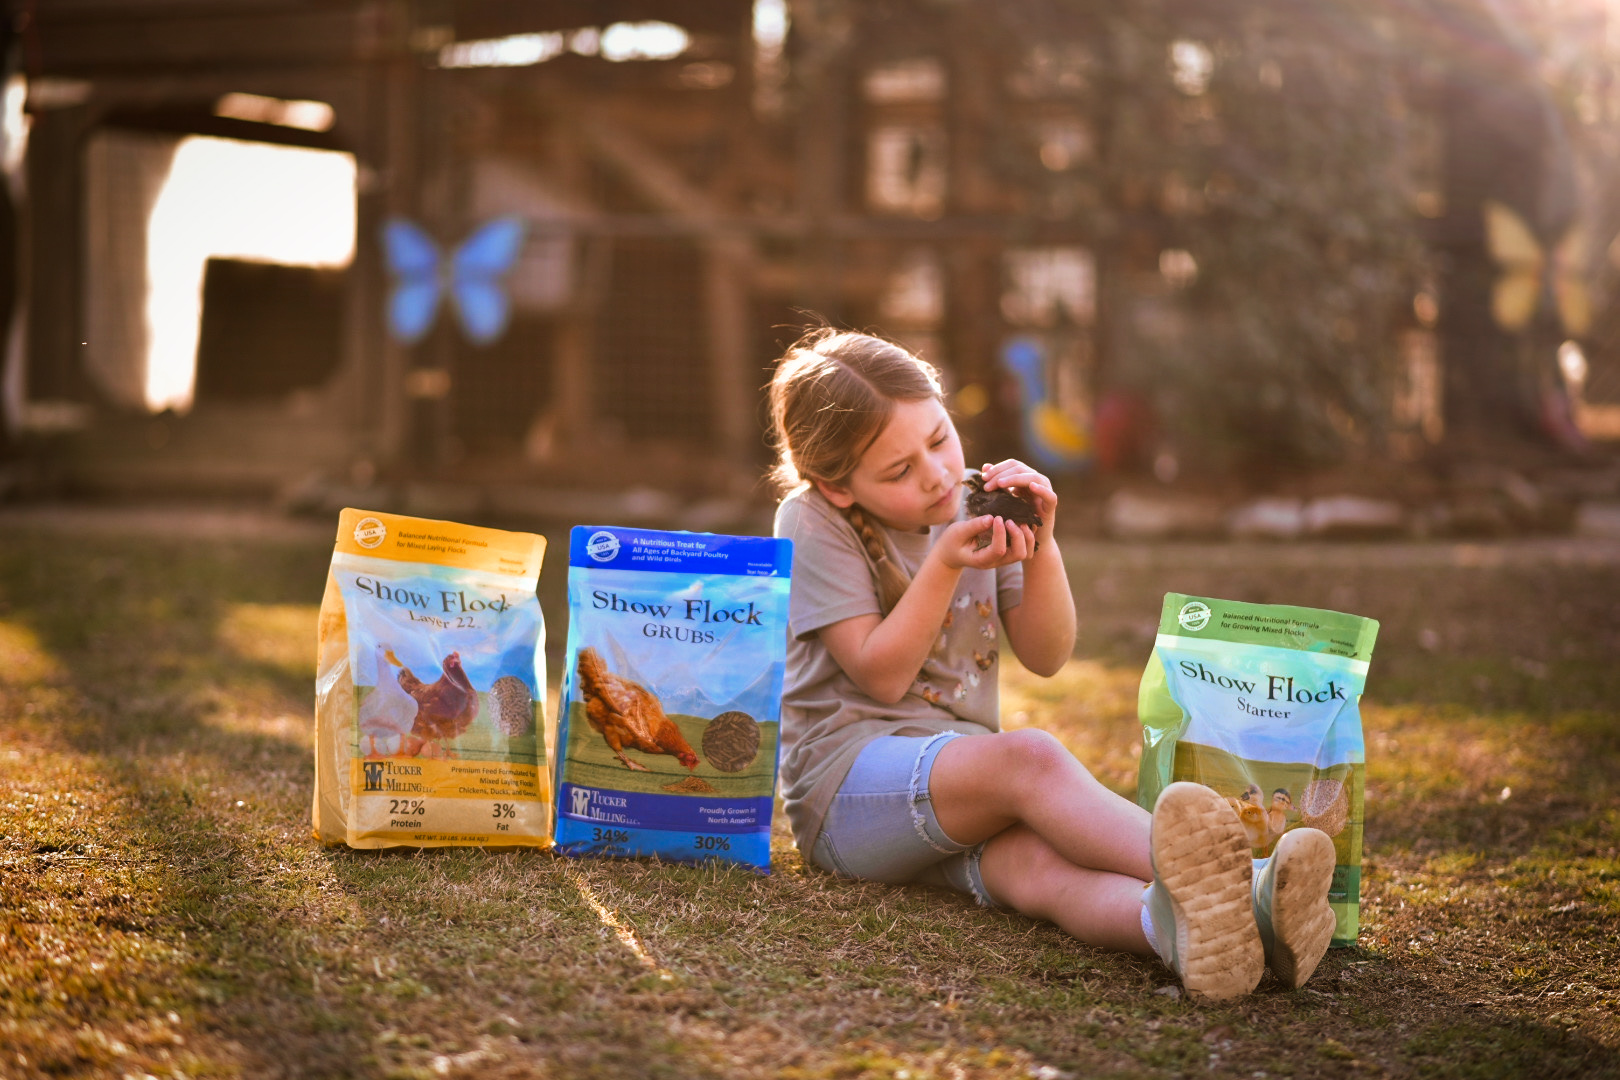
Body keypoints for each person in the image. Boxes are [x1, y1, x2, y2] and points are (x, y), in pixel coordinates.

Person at [767, 328, 1338, 1000]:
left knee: (1041, 869)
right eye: (899, 471)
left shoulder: (972, 498)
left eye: (940, 438)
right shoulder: (810, 521)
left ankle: (1192, 937)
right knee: (1031, 761)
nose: (937, 473)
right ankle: (1258, 881)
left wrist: (1044, 543)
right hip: (845, 795)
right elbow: (881, 675)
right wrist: (946, 565)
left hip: (961, 787)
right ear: (838, 488)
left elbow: (1047, 653)